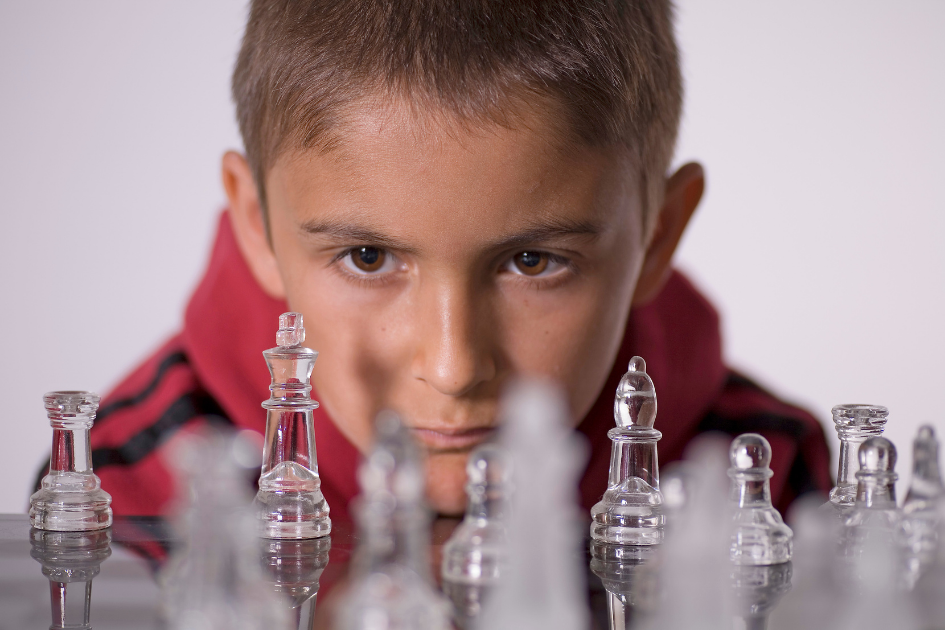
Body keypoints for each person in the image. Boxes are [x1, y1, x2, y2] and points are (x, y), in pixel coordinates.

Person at [41, 0, 831, 521]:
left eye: (533, 261)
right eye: (367, 257)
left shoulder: (772, 481)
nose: (453, 368)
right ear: (258, 226)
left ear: (657, 235)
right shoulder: (118, 479)